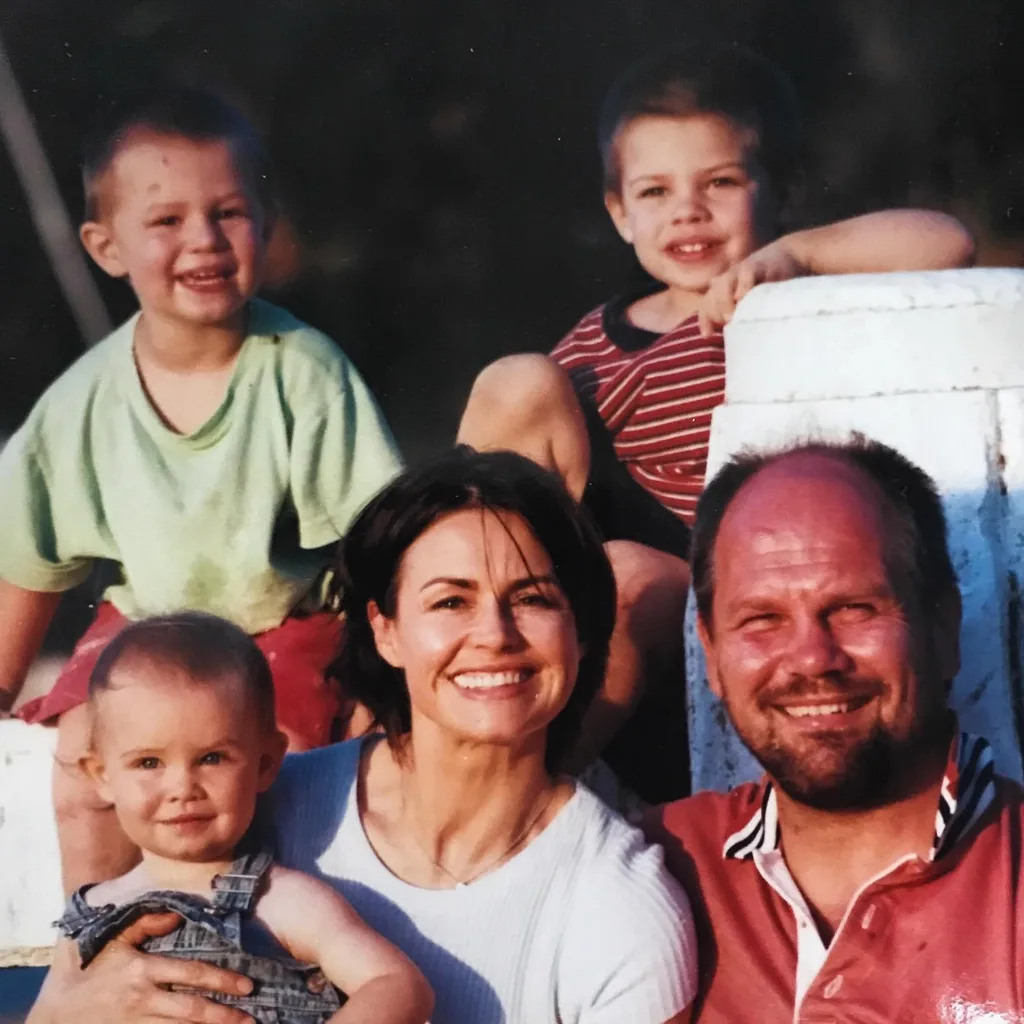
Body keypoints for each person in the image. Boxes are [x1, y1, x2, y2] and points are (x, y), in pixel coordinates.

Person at [456, 47, 976, 799]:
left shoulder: (787, 298)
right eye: (656, 191)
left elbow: (947, 243)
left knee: (643, 576)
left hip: (743, 587)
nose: (688, 211)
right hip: (610, 598)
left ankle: (516, 793)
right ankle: (453, 630)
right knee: (518, 380)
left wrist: (795, 257)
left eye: (721, 183)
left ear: (781, 191)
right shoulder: (596, 351)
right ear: (619, 212)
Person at [28, 448, 698, 1024]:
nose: (494, 634)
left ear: (580, 634)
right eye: (450, 601)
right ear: (386, 630)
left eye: (532, 598)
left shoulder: (617, 910)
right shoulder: (247, 806)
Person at [0, 85, 403, 893]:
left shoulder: (304, 373)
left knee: (272, 748)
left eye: (227, 213)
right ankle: (104, 949)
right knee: (84, 759)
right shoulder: (80, 405)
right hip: (144, 630)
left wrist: (381, 687)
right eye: (166, 221)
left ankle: (262, 947)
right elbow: (26, 561)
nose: (203, 241)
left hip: (279, 629)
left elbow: (382, 548)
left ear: (264, 222)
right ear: (106, 245)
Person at [644, 436, 1024, 1021]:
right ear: (711, 656)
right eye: (762, 618)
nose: (812, 659)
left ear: (943, 627)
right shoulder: (656, 865)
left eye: (854, 608)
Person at [47, 611, 434, 1024]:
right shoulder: (88, 916)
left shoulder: (278, 901)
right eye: (148, 763)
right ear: (102, 777)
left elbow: (397, 984)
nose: (183, 787)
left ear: (266, 763)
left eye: (211, 758)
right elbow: (47, 1016)